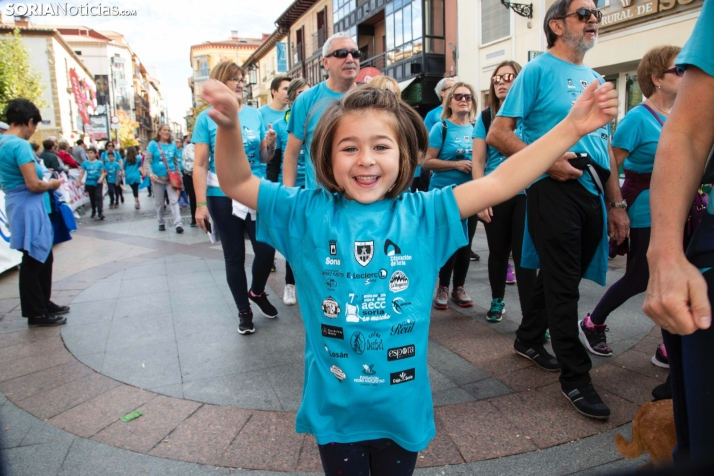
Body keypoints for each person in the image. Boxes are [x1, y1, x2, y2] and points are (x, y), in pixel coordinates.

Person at [202, 75, 617, 476]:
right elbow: (238, 182)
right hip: (336, 413)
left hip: (402, 409)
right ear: (327, 156)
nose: (365, 159)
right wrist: (228, 128)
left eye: (380, 146)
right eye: (349, 148)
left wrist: (571, 127)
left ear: (404, 155)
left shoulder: (425, 213)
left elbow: (504, 179)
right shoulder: (305, 212)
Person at [487, 0, 630, 420]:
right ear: (556, 24)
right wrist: (545, 161)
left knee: (560, 275)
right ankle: (575, 377)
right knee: (566, 284)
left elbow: (604, 147)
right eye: (583, 14)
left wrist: (616, 203)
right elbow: (500, 132)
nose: (593, 21)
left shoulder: (597, 79)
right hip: (552, 187)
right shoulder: (536, 71)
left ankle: (529, 337)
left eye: (596, 14)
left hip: (591, 187)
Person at [643, 0, 714, 468]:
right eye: (674, 68)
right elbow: (686, 133)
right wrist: (664, 254)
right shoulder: (638, 116)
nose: (678, 73)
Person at [580, 46, 683, 359]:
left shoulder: (681, 115)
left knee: (676, 272)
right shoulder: (638, 118)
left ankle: (669, 348)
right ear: (657, 79)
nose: (686, 74)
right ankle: (593, 322)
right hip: (645, 208)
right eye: (679, 70)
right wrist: (617, 207)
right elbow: (613, 162)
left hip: (680, 208)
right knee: (640, 276)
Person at [193, 61, 279, 334]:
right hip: (221, 192)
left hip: (254, 188)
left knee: (266, 247)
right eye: (233, 79)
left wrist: (270, 145)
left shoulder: (255, 114)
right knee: (234, 255)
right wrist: (200, 205)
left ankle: (256, 291)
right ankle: (244, 310)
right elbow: (200, 164)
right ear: (220, 82)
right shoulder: (206, 117)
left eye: (242, 78)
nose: (240, 83)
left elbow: (265, 157)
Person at [472, 60, 537, 323]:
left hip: (527, 191)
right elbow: (478, 161)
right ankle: (497, 301)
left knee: (524, 256)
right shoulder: (486, 117)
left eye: (508, 77)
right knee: (498, 252)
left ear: (519, 80)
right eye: (497, 79)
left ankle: (531, 317)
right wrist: (480, 197)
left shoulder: (532, 113)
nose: (501, 82)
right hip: (496, 190)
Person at [0, 100, 69, 326]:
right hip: (28, 205)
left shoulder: (2, 142)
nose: (33, 132)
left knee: (42, 255)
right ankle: (36, 312)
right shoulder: (19, 145)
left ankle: (42, 303)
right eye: (34, 126)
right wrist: (53, 184)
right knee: (34, 257)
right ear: (29, 121)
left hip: (17, 203)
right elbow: (33, 184)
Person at [423, 82, 477, 309]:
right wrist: (456, 165)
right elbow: (427, 162)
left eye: (467, 96)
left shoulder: (477, 128)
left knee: (466, 242)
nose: (463, 100)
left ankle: (459, 287)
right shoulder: (441, 128)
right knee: (449, 241)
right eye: (458, 97)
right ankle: (443, 287)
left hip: (473, 193)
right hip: (445, 194)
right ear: (449, 102)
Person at [283, 31, 360, 190]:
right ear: (325, 63)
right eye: (342, 53)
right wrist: (289, 199)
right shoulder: (306, 100)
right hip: (320, 203)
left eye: (355, 53)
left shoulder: (371, 98)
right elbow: (291, 154)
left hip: (363, 202)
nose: (350, 59)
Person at [273, 77, 310, 306]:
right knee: (294, 237)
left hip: (315, 187)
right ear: (292, 98)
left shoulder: (319, 120)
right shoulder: (279, 126)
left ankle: (310, 283)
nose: (306, 98)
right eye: (301, 94)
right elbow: (273, 163)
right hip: (291, 188)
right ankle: (290, 284)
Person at [414, 77, 456, 194]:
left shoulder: (460, 113)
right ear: (442, 93)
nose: (455, 91)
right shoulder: (432, 115)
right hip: (436, 168)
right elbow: (425, 140)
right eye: (451, 88)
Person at [145, 124, 183, 233]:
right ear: (160, 132)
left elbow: (176, 163)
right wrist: (150, 174)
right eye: (165, 130)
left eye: (168, 130)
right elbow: (147, 161)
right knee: (159, 202)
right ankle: (161, 222)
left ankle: (178, 224)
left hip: (171, 178)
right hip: (157, 178)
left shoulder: (172, 145)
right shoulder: (153, 144)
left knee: (174, 200)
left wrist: (179, 176)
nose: (167, 132)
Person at [261, 76, 291, 182]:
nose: (289, 92)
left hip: (286, 176)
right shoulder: (259, 114)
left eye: (291, 89)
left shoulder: (294, 114)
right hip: (264, 175)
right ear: (274, 91)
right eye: (285, 89)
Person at [77, 147, 106, 220]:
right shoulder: (85, 163)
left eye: (91, 153)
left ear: (95, 154)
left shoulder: (99, 163)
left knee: (98, 196)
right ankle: (93, 210)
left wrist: (101, 178)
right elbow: (82, 173)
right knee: (92, 198)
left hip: (98, 182)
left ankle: (100, 212)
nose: (89, 155)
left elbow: (103, 173)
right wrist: (79, 181)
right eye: (88, 153)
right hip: (89, 183)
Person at [181, 135, 197, 226]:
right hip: (190, 176)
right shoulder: (188, 148)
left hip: (206, 175)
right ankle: (194, 218)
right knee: (193, 197)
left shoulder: (207, 145)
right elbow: (186, 162)